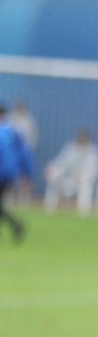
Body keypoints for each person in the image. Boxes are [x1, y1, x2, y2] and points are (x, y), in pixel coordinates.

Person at [44, 128, 98, 216]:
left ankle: (83, 212)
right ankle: (49, 209)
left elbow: (94, 169)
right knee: (54, 181)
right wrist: (53, 170)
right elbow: (61, 163)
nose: (81, 139)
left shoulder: (93, 151)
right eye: (79, 137)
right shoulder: (70, 149)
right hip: (69, 179)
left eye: (83, 137)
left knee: (85, 185)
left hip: (84, 180)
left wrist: (83, 176)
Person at [0, 103, 34, 242]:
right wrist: (27, 174)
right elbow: (24, 153)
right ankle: (16, 225)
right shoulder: (14, 131)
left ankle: (16, 224)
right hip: (9, 173)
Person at [7, 97, 37, 205]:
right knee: (10, 175)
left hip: (24, 152)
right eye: (17, 105)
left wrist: (28, 151)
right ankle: (8, 197)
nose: (18, 107)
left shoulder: (28, 120)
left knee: (25, 177)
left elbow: (32, 137)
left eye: (20, 105)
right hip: (11, 152)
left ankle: (25, 199)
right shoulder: (9, 119)